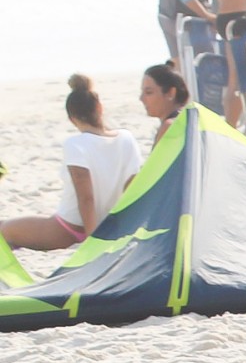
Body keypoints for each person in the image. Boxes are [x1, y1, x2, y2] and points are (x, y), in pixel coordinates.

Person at [2, 75, 144, 251]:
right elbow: (131, 188)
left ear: (72, 119)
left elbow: (86, 198)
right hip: (111, 226)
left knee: (4, 229)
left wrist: (92, 241)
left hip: (68, 229)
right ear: (100, 108)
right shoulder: (126, 138)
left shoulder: (76, 144)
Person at [138, 64, 191, 144]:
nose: (141, 98)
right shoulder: (191, 119)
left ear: (171, 93)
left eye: (149, 92)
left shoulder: (169, 126)